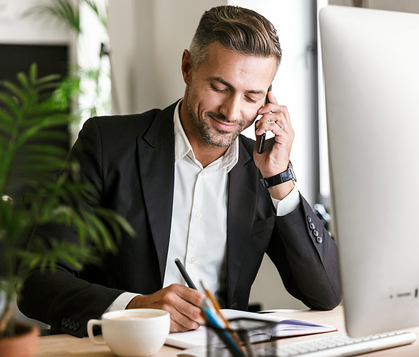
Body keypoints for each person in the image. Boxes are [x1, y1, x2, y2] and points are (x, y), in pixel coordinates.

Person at [18, 5, 341, 338]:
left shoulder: (262, 169)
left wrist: (280, 182)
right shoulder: (106, 145)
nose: (232, 111)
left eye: (251, 96)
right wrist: (136, 307)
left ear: (268, 98)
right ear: (188, 67)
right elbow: (37, 281)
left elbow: (326, 292)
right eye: (220, 87)